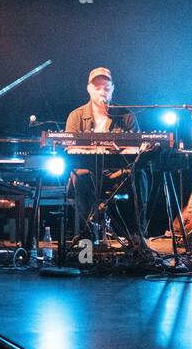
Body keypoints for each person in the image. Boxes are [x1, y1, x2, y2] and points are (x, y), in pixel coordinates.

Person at [63, 67, 154, 244]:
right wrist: (96, 150)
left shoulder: (126, 115)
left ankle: (136, 235)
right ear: (89, 89)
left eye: (106, 88)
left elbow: (137, 149)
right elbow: (70, 149)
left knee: (139, 174)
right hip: (90, 171)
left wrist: (119, 151)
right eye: (97, 88)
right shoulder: (76, 116)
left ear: (112, 89)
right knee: (80, 175)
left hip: (118, 172)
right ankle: (87, 237)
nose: (102, 92)